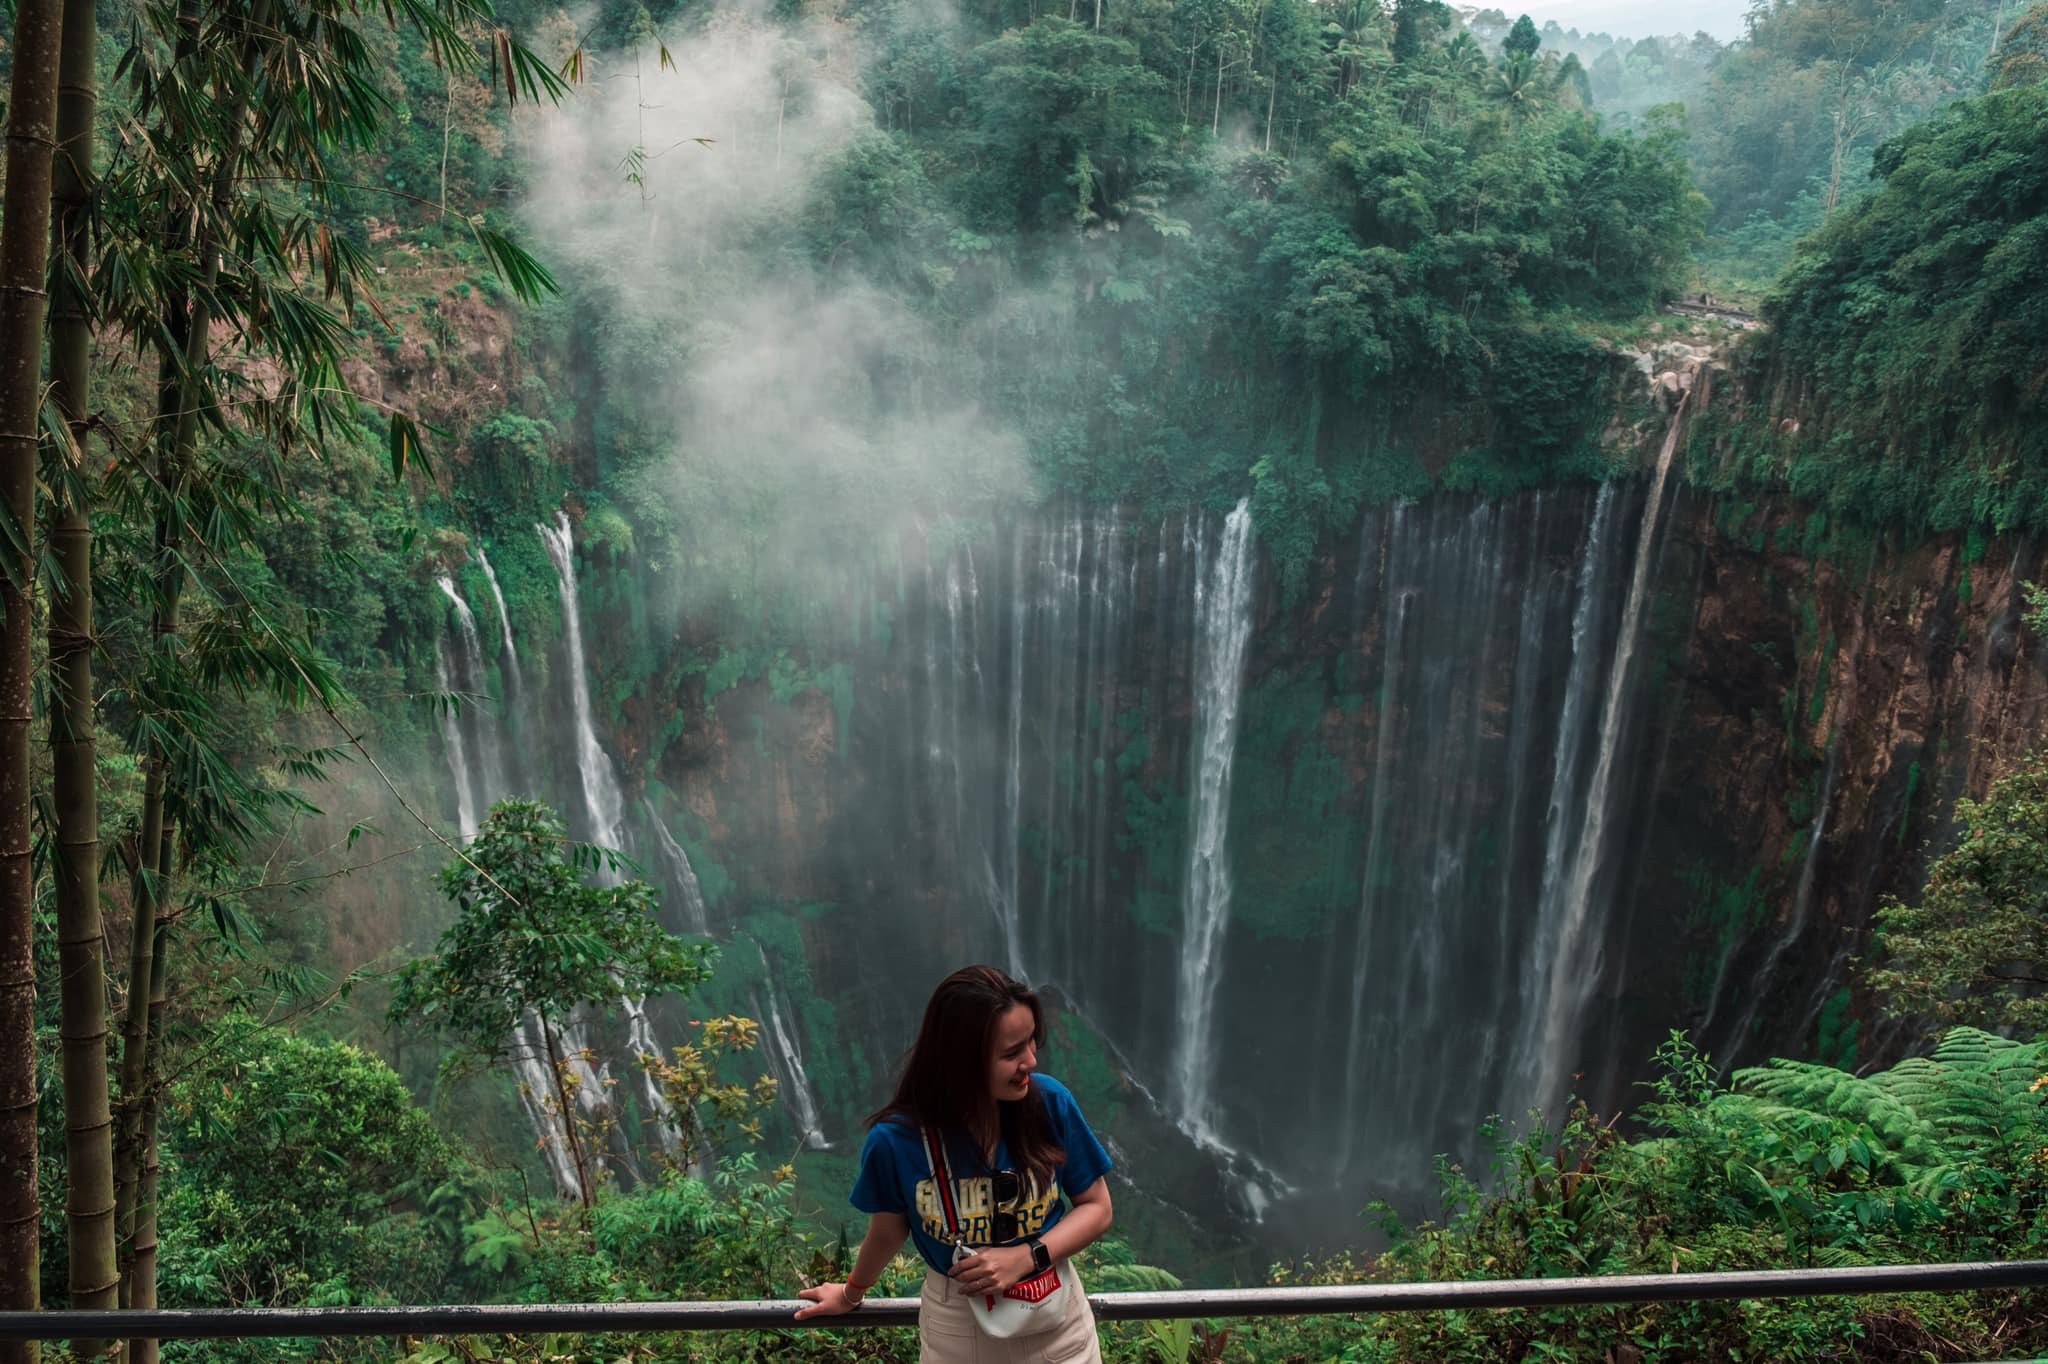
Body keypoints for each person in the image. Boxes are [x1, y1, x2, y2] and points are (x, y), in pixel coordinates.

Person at [795, 965, 1115, 1361]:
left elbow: (1098, 1207)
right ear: (961, 1060)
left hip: (1056, 1319)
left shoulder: (1049, 1104)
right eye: (1012, 1053)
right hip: (957, 1326)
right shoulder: (897, 1141)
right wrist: (851, 1293)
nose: (1031, 1061)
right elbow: (887, 1233)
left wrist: (1026, 1256)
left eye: (1033, 1042)